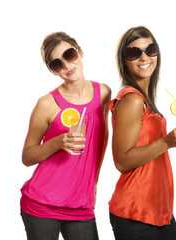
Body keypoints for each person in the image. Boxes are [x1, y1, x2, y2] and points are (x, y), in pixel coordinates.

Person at [109, 26, 176, 240]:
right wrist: (167, 141)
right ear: (124, 61)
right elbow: (121, 161)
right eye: (134, 52)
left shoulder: (144, 97)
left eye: (150, 49)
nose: (144, 57)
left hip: (158, 211)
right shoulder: (132, 99)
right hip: (135, 211)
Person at [20, 31, 111, 240]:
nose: (66, 66)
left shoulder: (104, 93)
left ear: (80, 52)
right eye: (56, 64)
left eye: (69, 55)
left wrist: (93, 183)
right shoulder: (46, 104)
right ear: (53, 71)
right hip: (41, 205)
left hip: (81, 205)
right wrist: (58, 142)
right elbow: (27, 157)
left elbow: (101, 141)